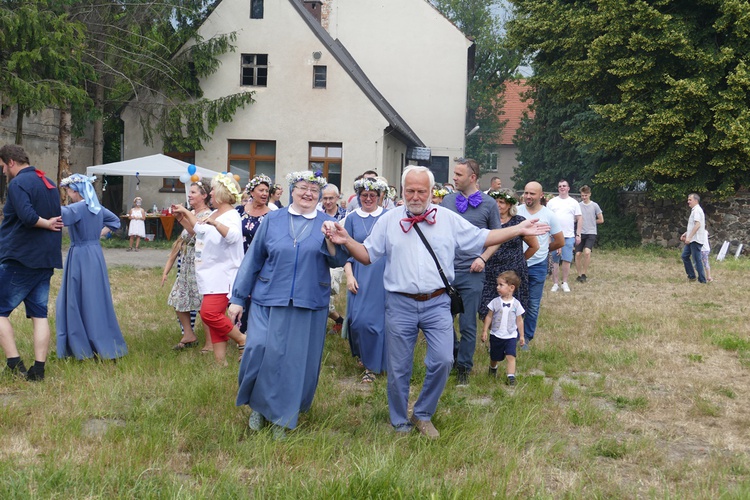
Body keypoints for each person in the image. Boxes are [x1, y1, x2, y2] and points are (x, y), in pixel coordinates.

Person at [323, 166, 549, 438]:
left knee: (442, 360)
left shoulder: (448, 219)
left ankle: (422, 414)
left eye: (421, 191)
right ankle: (399, 421)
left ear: (432, 192)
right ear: (402, 191)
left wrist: (518, 230)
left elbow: (483, 238)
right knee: (398, 367)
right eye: (410, 191)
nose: (416, 196)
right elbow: (368, 255)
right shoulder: (388, 220)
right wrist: (346, 240)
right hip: (399, 303)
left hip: (438, 302)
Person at [229, 170, 349, 439]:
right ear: (292, 190)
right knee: (259, 349)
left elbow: (338, 260)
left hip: (308, 301)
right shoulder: (273, 219)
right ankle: (259, 406)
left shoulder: (328, 222)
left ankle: (282, 416)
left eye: (314, 190)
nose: (308, 193)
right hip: (267, 297)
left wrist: (331, 242)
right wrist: (238, 298)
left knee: (294, 362)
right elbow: (253, 260)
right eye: (303, 188)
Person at [0, 144, 63, 381]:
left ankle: (15, 364)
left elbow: (27, 217)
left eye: (3, 167)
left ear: (11, 163)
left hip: (20, 259)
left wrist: (45, 223)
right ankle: (38, 370)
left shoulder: (18, 183)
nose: (4, 172)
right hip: (44, 259)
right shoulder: (47, 182)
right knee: (39, 314)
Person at [172, 173, 246, 364]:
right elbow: (201, 230)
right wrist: (183, 216)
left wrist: (216, 223)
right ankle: (220, 363)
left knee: (209, 314)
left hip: (224, 275)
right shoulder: (215, 213)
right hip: (210, 275)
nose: (210, 193)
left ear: (220, 192)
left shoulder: (231, 214)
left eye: (212, 189)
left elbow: (233, 237)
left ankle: (243, 339)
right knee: (215, 319)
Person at [441, 158, 502, 387]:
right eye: (454, 174)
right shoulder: (447, 201)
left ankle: (464, 369)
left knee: (467, 324)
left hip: (472, 272)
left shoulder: (488, 204)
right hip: (445, 273)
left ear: (473, 177)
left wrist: (483, 258)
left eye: (458, 174)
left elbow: (498, 237)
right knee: (443, 322)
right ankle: (453, 357)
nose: (454, 177)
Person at [56, 174, 127, 361]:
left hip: (79, 254)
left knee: (76, 298)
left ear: (75, 190)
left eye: (68, 191)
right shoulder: (96, 207)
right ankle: (102, 340)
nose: (68, 194)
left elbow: (56, 217)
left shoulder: (76, 208)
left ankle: (80, 347)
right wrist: (96, 234)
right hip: (94, 253)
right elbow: (115, 222)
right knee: (95, 296)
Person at [343, 176, 389, 383]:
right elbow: (345, 251)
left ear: (380, 196)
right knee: (358, 322)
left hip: (382, 275)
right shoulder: (352, 218)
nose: (368, 199)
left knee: (379, 323)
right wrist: (349, 276)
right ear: (358, 196)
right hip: (360, 273)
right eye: (364, 195)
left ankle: (373, 366)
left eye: (372, 195)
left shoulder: (389, 216)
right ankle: (364, 355)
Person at [162, 181, 213, 352]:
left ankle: (210, 343)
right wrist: (181, 218)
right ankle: (189, 334)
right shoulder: (191, 212)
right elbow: (187, 235)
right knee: (178, 298)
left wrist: (183, 214)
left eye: (193, 192)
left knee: (202, 304)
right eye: (189, 192)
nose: (189, 195)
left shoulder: (209, 215)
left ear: (204, 195)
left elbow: (198, 232)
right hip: (186, 263)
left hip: (200, 262)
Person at [517, 181, 564, 350]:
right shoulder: (516, 211)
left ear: (541, 195)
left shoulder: (549, 215)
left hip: (537, 265)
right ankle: (512, 335)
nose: (528, 196)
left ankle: (527, 338)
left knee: (533, 303)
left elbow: (560, 241)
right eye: (526, 193)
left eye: (532, 194)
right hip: (517, 263)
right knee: (513, 300)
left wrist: (543, 250)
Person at [479, 189, 539, 319]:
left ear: (510, 205)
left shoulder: (519, 222)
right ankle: (494, 334)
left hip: (512, 272)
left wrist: (519, 260)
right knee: (488, 309)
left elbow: (534, 246)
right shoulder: (487, 222)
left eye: (502, 202)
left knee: (511, 309)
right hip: (491, 272)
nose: (498, 205)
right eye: (495, 201)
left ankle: (511, 336)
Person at [236, 174, 272, 333]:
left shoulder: (272, 215)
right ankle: (240, 331)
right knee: (241, 292)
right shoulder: (238, 211)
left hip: (261, 262)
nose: (265, 193)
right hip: (239, 259)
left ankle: (256, 330)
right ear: (251, 192)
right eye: (261, 190)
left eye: (267, 190)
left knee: (256, 294)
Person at [480, 271, 525, 386]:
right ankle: (493, 367)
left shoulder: (516, 304)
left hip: (510, 336)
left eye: (501, 285)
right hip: (496, 334)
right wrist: (485, 330)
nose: (497, 287)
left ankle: (510, 376)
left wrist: (522, 335)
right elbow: (489, 316)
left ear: (511, 288)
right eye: (497, 284)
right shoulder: (495, 302)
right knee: (495, 356)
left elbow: (519, 320)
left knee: (511, 355)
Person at [317, 184, 346, 332]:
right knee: (320, 293)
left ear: (337, 198)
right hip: (320, 258)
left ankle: (338, 322)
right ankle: (340, 321)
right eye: (325, 198)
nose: (327, 202)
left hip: (337, 261)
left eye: (331, 198)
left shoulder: (346, 216)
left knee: (329, 290)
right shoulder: (317, 215)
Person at [546, 179, 581, 292]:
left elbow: (579, 218)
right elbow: (547, 219)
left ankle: (564, 282)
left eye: (564, 186)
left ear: (568, 188)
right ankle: (555, 283)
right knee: (555, 260)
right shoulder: (552, 202)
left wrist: (578, 234)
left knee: (567, 259)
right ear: (558, 188)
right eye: (560, 186)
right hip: (554, 236)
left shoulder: (574, 202)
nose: (562, 188)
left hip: (569, 235)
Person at [574, 185, 603, 283]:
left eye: (585, 195)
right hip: (580, 232)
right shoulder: (578, 206)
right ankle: (578, 274)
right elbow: (575, 219)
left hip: (591, 232)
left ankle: (584, 274)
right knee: (578, 254)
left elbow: (601, 219)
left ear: (589, 194)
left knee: (587, 252)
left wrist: (592, 221)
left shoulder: (595, 205)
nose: (584, 197)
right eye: (582, 195)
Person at [680, 193, 707, 283]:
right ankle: (691, 276)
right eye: (688, 200)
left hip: (695, 240)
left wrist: (689, 237)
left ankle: (702, 280)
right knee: (684, 256)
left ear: (696, 200)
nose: (688, 202)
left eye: (690, 200)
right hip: (692, 239)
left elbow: (698, 225)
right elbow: (693, 225)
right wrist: (686, 233)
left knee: (697, 260)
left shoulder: (697, 210)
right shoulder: (694, 210)